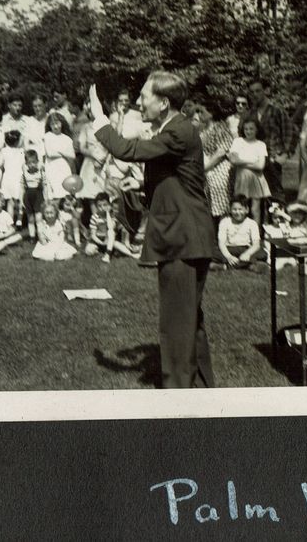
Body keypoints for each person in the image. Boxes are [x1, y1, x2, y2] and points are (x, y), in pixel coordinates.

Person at [89, 71, 215, 389]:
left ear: (164, 102)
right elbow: (175, 180)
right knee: (189, 318)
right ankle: (200, 387)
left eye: (144, 96)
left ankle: (177, 396)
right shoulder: (175, 129)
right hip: (187, 235)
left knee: (176, 321)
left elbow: (128, 150)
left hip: (182, 238)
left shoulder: (177, 131)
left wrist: (100, 120)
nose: (138, 101)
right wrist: (145, 188)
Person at [240, 79, 292, 203]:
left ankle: (278, 221)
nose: (255, 94)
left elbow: (289, 132)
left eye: (258, 91)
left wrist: (284, 154)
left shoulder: (277, 110)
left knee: (275, 193)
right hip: (254, 159)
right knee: (255, 195)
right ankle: (258, 222)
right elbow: (242, 134)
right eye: (252, 92)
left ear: (266, 91)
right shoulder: (249, 114)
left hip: (272, 158)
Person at [193, 104, 234, 226]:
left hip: (219, 165)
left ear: (211, 113)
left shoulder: (220, 127)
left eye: (201, 111)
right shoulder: (203, 129)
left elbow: (221, 152)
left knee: (217, 184)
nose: (199, 115)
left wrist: (205, 168)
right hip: (205, 165)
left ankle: (223, 229)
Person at [228, 118, 271, 226]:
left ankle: (256, 233)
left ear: (257, 130)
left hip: (256, 178)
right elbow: (233, 160)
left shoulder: (260, 144)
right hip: (241, 178)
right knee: (240, 206)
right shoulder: (238, 141)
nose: (248, 131)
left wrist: (242, 162)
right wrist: (252, 161)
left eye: (251, 129)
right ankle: (240, 231)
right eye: (246, 129)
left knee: (255, 209)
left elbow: (260, 166)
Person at [216, 195, 267, 270]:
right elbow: (221, 243)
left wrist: (247, 254)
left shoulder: (252, 223)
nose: (237, 212)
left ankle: (225, 266)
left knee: (263, 254)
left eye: (240, 209)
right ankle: (248, 266)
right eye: (234, 209)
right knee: (212, 253)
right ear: (230, 210)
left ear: (247, 210)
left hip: (245, 248)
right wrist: (228, 256)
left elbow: (256, 244)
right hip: (229, 248)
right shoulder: (224, 222)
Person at [84, 192, 138, 262]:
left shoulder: (112, 216)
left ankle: (109, 254)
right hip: (98, 239)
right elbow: (93, 235)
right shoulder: (94, 217)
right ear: (96, 207)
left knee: (111, 233)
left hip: (110, 239)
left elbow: (111, 227)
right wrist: (101, 243)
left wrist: (107, 213)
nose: (102, 208)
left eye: (105, 205)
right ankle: (102, 250)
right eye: (99, 206)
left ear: (109, 205)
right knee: (88, 251)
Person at [43, 112, 76, 201]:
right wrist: (64, 153)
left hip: (64, 168)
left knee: (65, 194)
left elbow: (72, 155)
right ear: (49, 125)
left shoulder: (67, 139)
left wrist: (59, 151)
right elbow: (50, 153)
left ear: (62, 123)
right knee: (54, 193)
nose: (55, 126)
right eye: (53, 124)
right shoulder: (48, 136)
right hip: (52, 167)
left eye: (57, 123)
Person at [0, 130, 25, 225]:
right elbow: (23, 164)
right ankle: (19, 220)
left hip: (8, 178)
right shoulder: (21, 152)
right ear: (17, 141)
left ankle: (10, 221)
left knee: (10, 201)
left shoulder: (4, 151)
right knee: (20, 200)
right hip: (18, 177)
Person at [20, 150, 46, 240]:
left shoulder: (41, 173)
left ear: (37, 162)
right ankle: (32, 236)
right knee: (30, 219)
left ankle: (40, 235)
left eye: (34, 162)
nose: (32, 165)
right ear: (26, 163)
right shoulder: (24, 175)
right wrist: (21, 200)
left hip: (38, 197)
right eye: (29, 163)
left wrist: (46, 198)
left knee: (39, 218)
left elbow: (45, 187)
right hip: (28, 198)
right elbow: (22, 188)